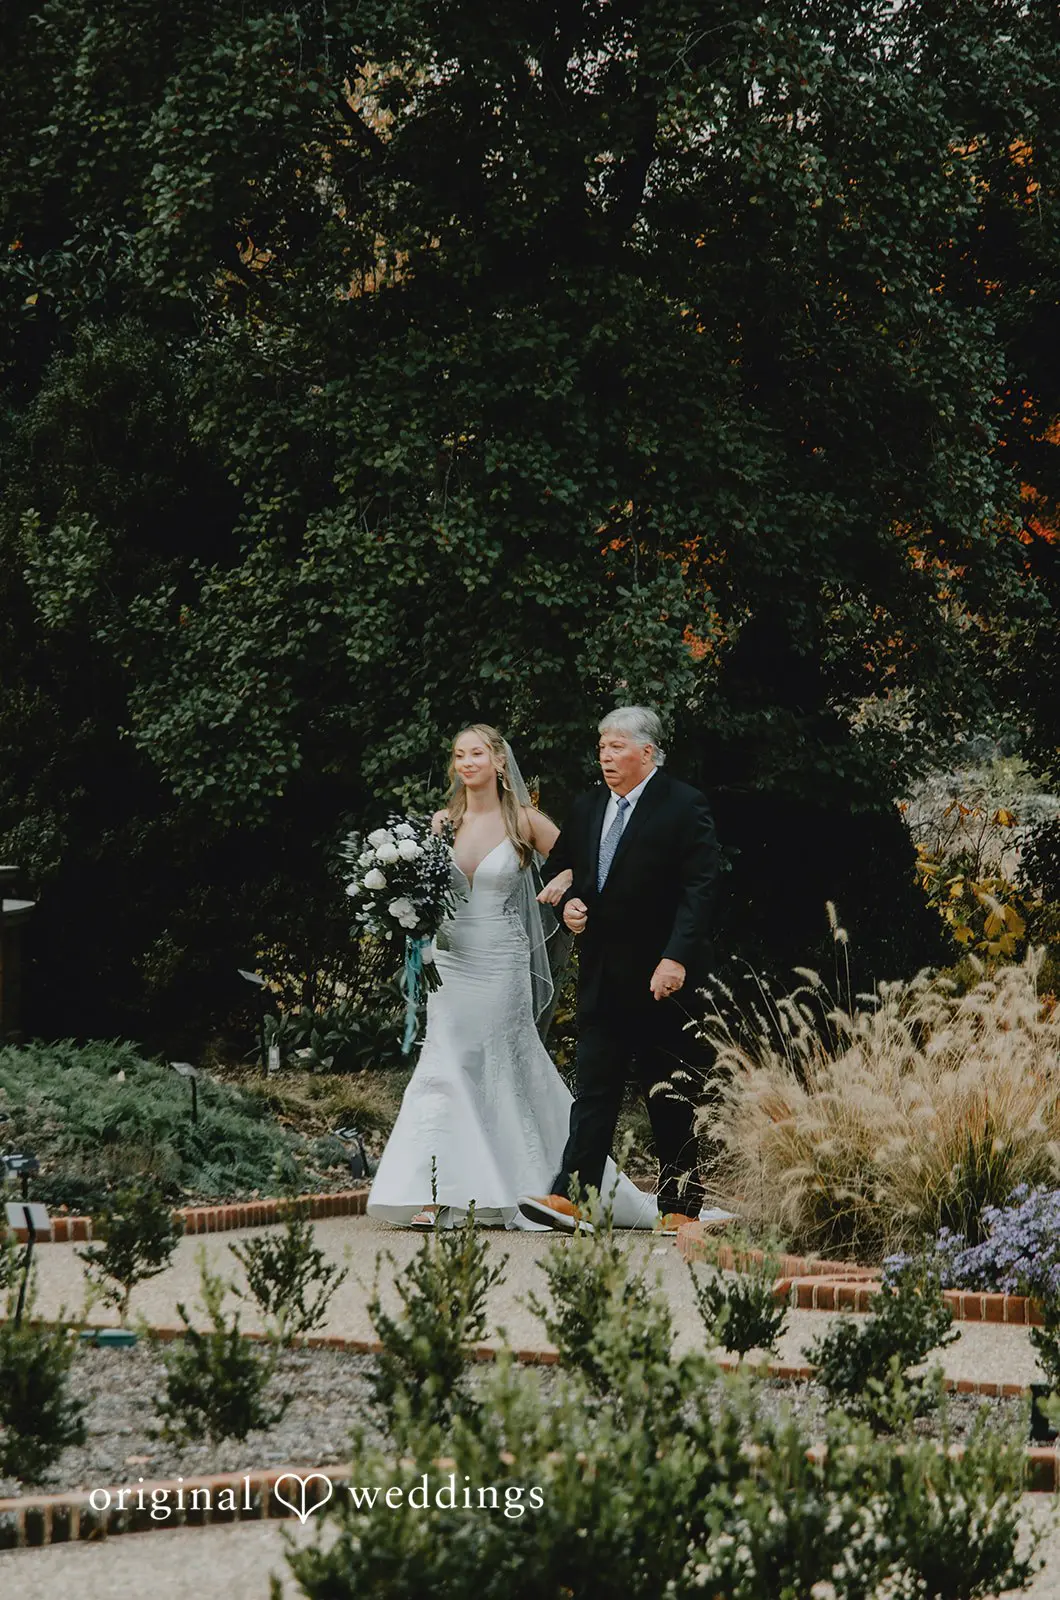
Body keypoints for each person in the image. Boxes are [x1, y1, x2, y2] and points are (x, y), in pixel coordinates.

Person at [366, 723, 658, 1231]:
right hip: (451, 958)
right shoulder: (442, 823)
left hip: (500, 959)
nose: (466, 762)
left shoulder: (524, 820)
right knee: (445, 1065)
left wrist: (568, 886)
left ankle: (529, 1185)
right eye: (459, 755)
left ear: (499, 762)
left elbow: (578, 861)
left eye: (476, 753)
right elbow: (422, 891)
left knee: (501, 1063)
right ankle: (438, 1191)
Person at [519, 706, 721, 1235]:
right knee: (594, 1089)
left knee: (666, 1091)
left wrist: (676, 957)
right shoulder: (589, 807)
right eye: (602, 747)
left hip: (662, 977)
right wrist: (571, 906)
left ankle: (679, 1205)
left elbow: (700, 889)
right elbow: (562, 866)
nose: (606, 756)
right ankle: (573, 1197)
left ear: (647, 752)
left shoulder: (683, 806)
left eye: (617, 747)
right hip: (604, 973)